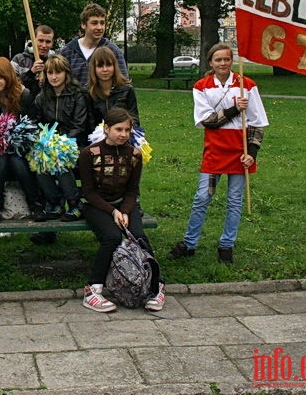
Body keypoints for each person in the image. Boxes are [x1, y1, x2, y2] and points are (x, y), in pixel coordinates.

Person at [168, 43, 268, 264]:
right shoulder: (202, 87)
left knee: (234, 200)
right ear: (211, 63)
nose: (223, 63)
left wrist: (252, 153)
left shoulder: (247, 85)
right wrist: (235, 109)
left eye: (227, 59)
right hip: (215, 151)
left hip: (240, 152)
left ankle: (227, 245)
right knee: (203, 197)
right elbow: (208, 121)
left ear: (232, 61)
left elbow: (258, 124)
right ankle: (190, 242)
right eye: (218, 60)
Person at [78, 107, 164, 312]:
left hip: (125, 204)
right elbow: (89, 193)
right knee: (112, 237)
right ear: (106, 129)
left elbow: (133, 190)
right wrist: (113, 212)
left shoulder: (134, 154)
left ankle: (156, 287)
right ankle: (93, 290)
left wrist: (125, 210)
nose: (123, 134)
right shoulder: (89, 154)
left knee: (138, 235)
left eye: (127, 130)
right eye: (118, 129)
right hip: (97, 206)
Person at [0, 56, 44, 221]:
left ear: (8, 76)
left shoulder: (24, 94)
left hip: (19, 145)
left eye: (0, 77)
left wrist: (17, 140)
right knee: (0, 162)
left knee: (17, 162)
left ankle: (35, 205)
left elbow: (32, 123)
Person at [33, 54, 87, 220]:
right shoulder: (42, 97)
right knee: (39, 161)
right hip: (49, 143)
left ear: (66, 73)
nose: (54, 77)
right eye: (50, 73)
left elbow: (79, 125)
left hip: (73, 142)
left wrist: (61, 144)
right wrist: (45, 142)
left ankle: (74, 202)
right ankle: (55, 201)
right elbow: (36, 123)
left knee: (60, 159)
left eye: (58, 72)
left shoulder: (77, 94)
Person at [59, 2, 129, 87]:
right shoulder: (68, 51)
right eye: (94, 23)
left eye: (102, 23)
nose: (99, 27)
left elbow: (123, 84)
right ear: (83, 25)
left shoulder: (113, 51)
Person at [86, 47, 139, 137]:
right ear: (93, 68)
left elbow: (134, 120)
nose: (105, 69)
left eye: (109, 65)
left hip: (124, 138)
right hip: (97, 140)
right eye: (100, 66)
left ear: (115, 66)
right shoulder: (88, 93)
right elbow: (88, 125)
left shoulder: (127, 90)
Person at [12, 25, 55, 100]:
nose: (44, 45)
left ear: (52, 43)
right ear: (33, 40)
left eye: (48, 42)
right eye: (40, 41)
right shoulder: (18, 60)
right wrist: (31, 73)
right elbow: (11, 86)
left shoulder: (55, 62)